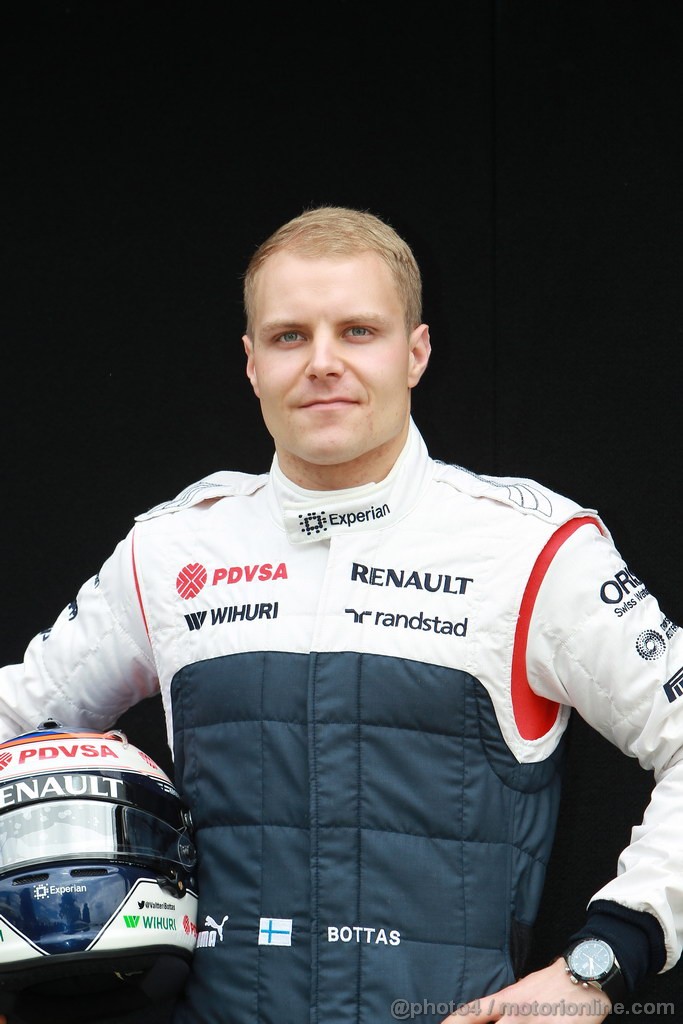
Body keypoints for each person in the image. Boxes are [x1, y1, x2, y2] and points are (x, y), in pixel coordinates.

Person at [0, 204, 681, 1024]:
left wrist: (597, 965)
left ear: (415, 352)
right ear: (251, 363)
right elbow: (17, 722)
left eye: (358, 331)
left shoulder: (531, 547)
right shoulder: (172, 550)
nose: (322, 363)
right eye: (289, 336)